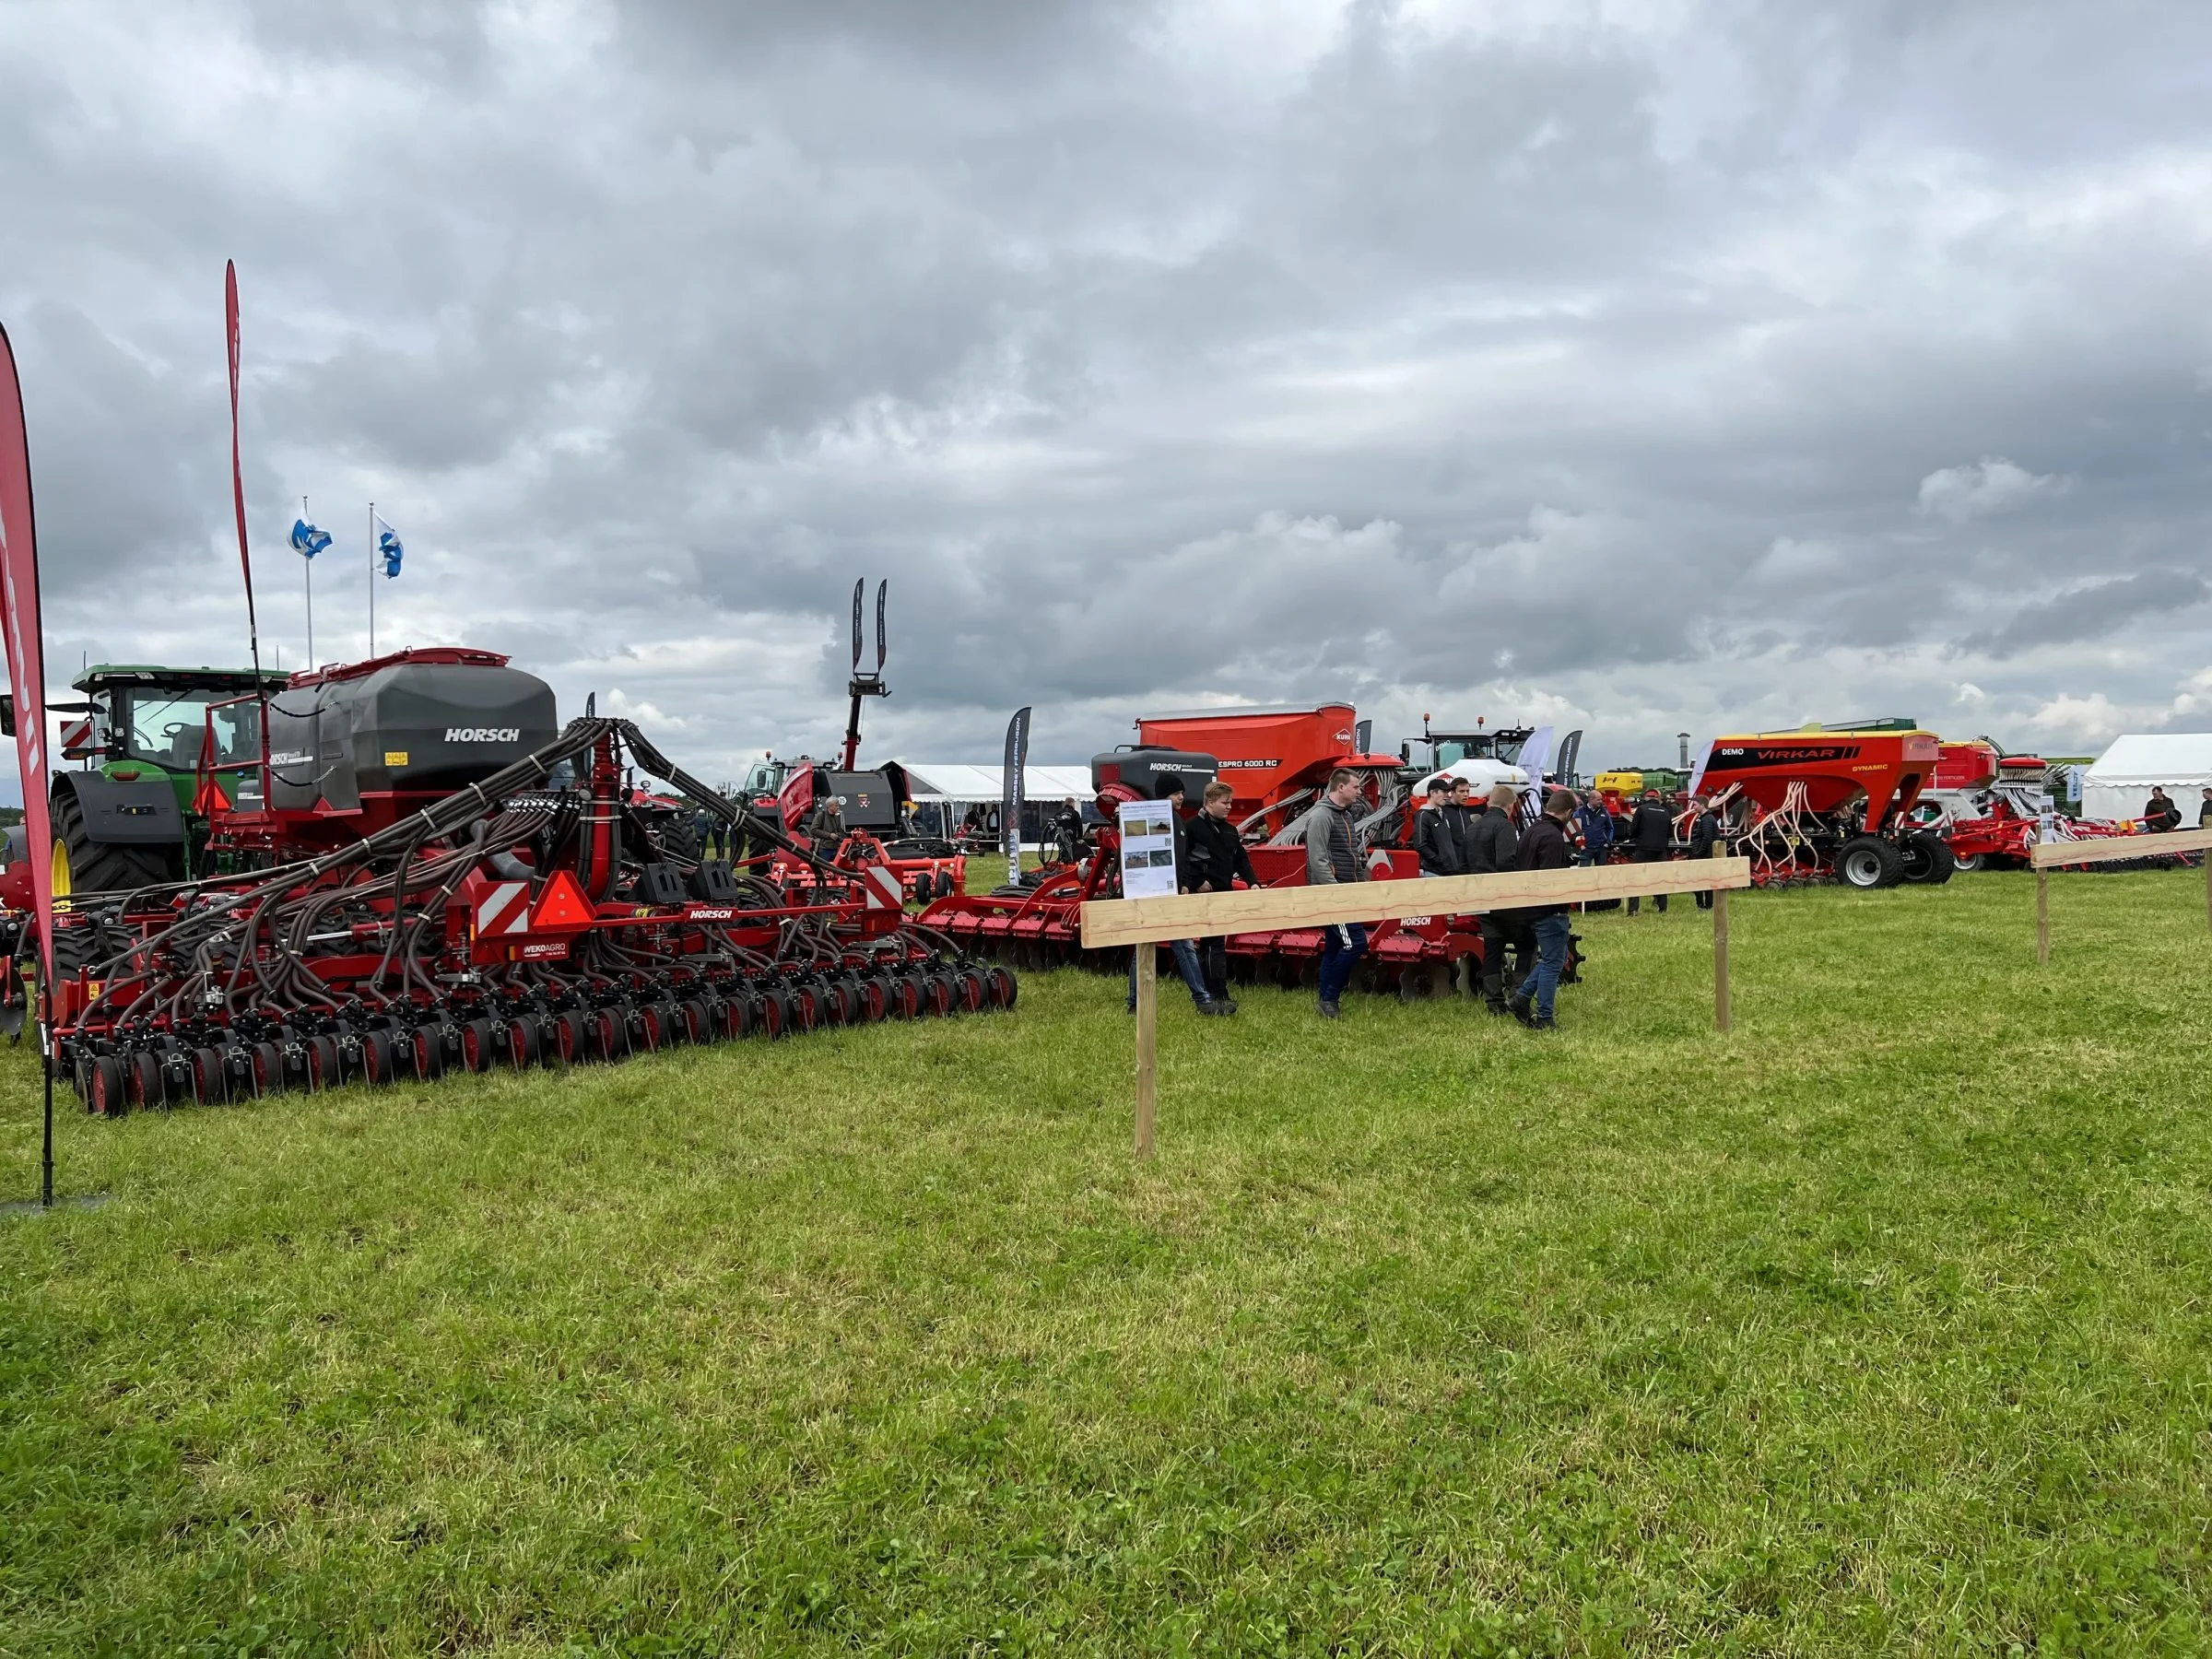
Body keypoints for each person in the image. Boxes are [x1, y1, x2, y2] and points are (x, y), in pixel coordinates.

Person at [1126, 775, 1222, 1017]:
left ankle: (1136, 1002)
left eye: (1181, 793)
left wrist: (1186, 885)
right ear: (1164, 795)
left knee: (1166, 947)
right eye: (1176, 793)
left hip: (1171, 893)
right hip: (1153, 894)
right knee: (1159, 947)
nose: (1181, 797)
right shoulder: (1154, 818)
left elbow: (1181, 859)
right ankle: (1201, 1000)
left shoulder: (1177, 821)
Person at [1507, 789, 1579, 1030]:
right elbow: (1550, 877)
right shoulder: (1553, 836)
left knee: (1551, 959)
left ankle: (1521, 999)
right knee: (1552, 963)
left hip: (1529, 905)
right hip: (1548, 909)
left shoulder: (1530, 831)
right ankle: (1545, 1017)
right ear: (1568, 812)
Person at [1301, 768, 1369, 1019]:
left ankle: (1325, 1000)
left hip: (1348, 890)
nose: (1359, 791)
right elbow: (1317, 859)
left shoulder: (1346, 815)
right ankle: (1329, 998)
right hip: (1334, 894)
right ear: (1341, 788)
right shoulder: (1321, 817)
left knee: (1335, 946)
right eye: (1356, 786)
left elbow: (1351, 854)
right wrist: (1334, 891)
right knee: (1355, 943)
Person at [1185, 778, 1257, 1010]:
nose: (1229, 807)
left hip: (1223, 892)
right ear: (1210, 802)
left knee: (1216, 944)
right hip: (1204, 895)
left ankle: (1214, 989)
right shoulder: (1192, 828)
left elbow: (1241, 859)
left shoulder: (1230, 831)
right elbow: (1182, 860)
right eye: (1225, 802)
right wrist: (1196, 882)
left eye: (1230, 802)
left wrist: (1253, 882)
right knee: (1211, 944)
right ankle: (1215, 992)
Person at [1465, 782, 1522, 1013]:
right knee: (1526, 942)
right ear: (1510, 806)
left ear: (1489, 802)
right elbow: (1506, 863)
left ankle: (1493, 1001)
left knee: (1492, 948)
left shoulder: (1472, 829)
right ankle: (1519, 994)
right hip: (1502, 897)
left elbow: (1463, 863)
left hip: (1479, 896)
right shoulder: (1504, 827)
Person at [1625, 789, 1675, 914]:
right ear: (1658, 800)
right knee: (1660, 879)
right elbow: (1670, 832)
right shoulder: (1665, 811)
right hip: (1660, 849)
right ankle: (1663, 908)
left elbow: (1634, 830)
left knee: (1636, 878)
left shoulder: (1641, 810)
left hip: (1643, 848)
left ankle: (1633, 909)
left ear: (1646, 799)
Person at [1414, 777, 1463, 876]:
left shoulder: (1443, 814)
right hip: (1434, 873)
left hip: (1448, 872)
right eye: (1444, 792)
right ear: (1432, 793)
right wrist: (1440, 860)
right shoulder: (1423, 815)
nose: (1447, 796)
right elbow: (1420, 844)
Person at [1688, 794, 1724, 909]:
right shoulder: (1707, 818)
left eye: (1695, 805)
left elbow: (1707, 838)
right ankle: (1706, 904)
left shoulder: (1706, 819)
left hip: (1704, 855)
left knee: (1700, 880)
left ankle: (1703, 904)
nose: (1693, 807)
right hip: (1706, 854)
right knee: (1706, 881)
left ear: (1702, 805)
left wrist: (1698, 852)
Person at [1574, 794, 1614, 867]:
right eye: (1598, 800)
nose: (1601, 801)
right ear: (1591, 799)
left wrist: (1608, 842)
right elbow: (1574, 830)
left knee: (1602, 873)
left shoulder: (1604, 812)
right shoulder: (1579, 812)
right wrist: (1580, 845)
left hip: (1601, 848)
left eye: (1601, 799)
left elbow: (1610, 828)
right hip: (1586, 849)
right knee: (1584, 872)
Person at [1053, 797, 1087, 865]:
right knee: (1072, 852)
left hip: (1060, 837)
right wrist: (1079, 838)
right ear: (1072, 803)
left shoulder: (1058, 813)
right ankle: (1071, 862)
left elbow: (1056, 825)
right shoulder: (1075, 813)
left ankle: (1064, 861)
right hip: (1071, 837)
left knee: (1063, 851)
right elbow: (1079, 826)